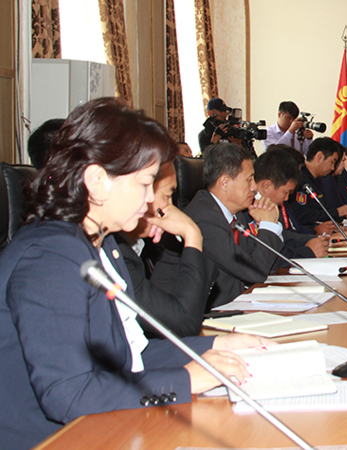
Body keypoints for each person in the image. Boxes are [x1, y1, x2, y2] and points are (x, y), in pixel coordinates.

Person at [0, 98, 266, 450]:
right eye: (144, 184)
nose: (150, 201)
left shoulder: (102, 243)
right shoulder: (50, 256)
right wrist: (185, 381)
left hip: (105, 428)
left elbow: (131, 357)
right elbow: (68, 394)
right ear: (96, 181)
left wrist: (216, 345)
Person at [152, 142, 283, 309]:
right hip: (183, 315)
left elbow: (269, 267)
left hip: (228, 307)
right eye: (249, 179)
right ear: (224, 182)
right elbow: (255, 271)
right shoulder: (204, 219)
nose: (254, 187)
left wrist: (270, 223)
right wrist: (268, 226)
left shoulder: (235, 214)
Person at [114, 161, 217, 338]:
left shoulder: (145, 245)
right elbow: (183, 322)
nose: (171, 207)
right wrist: (192, 233)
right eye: (168, 196)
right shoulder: (114, 252)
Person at [254, 146, 328, 259]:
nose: (286, 198)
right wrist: (307, 252)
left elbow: (283, 236)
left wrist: (319, 241)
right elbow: (270, 255)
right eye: (286, 192)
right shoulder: (247, 209)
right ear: (266, 185)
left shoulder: (270, 204)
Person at [286, 138, 347, 230]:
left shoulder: (318, 179)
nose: (332, 168)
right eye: (332, 162)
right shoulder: (300, 179)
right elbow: (302, 216)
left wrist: (344, 214)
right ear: (319, 157)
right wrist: (337, 212)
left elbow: (324, 209)